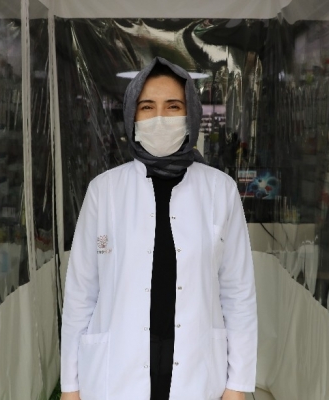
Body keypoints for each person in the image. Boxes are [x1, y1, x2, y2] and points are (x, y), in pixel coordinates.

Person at [60, 57, 257, 400]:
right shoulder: (104, 191)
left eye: (173, 106)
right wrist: (70, 386)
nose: (160, 118)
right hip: (118, 369)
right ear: (132, 116)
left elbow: (237, 292)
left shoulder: (220, 190)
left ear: (191, 114)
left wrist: (238, 384)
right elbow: (81, 292)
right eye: (147, 106)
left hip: (196, 367)